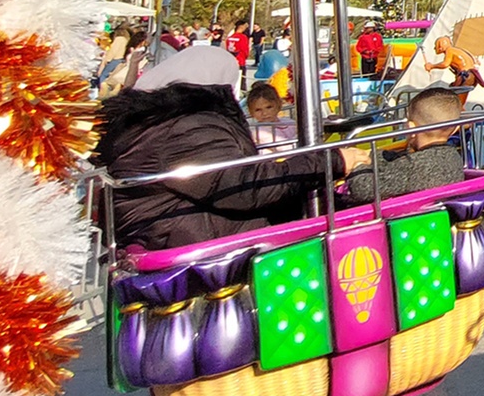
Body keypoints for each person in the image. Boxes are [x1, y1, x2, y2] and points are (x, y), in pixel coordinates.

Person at [92, 46, 324, 251]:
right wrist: (329, 162)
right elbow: (242, 186)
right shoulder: (186, 126)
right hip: (185, 242)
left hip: (165, 230)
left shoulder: (157, 120)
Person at [338, 88, 467, 204]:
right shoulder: (454, 157)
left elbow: (364, 189)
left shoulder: (414, 166)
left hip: (408, 222)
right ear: (455, 128)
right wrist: (372, 156)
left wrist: (356, 165)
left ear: (410, 128)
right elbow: (397, 163)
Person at [245, 81, 295, 149]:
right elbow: (284, 149)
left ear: (278, 105)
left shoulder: (289, 122)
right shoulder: (259, 132)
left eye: (269, 107)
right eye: (258, 110)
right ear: (251, 112)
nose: (264, 113)